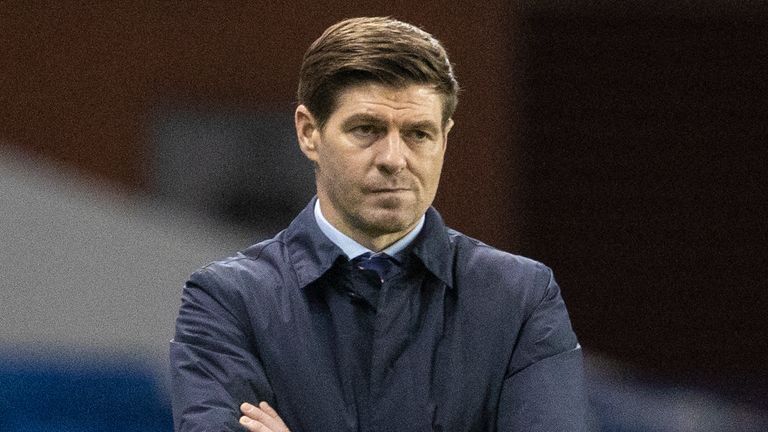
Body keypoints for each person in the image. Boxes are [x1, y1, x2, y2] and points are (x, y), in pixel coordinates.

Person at [169, 16, 586, 432]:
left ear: (445, 137)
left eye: (418, 134)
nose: (393, 158)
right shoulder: (226, 302)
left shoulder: (521, 299)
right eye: (366, 129)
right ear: (309, 132)